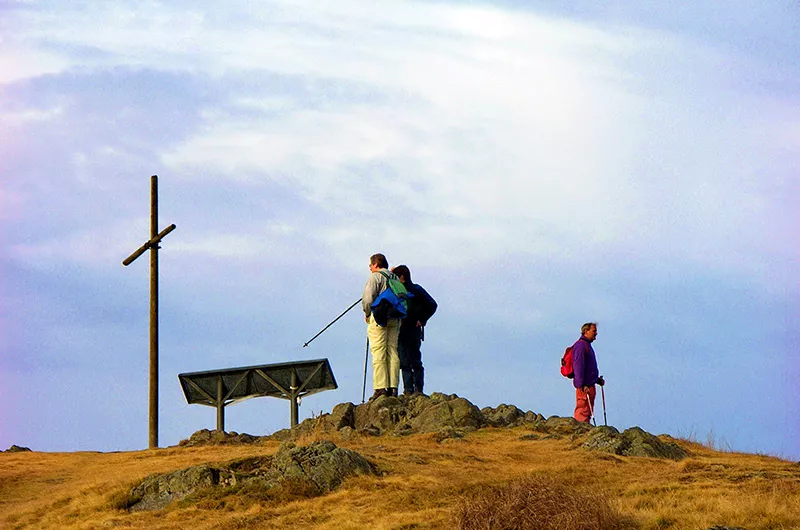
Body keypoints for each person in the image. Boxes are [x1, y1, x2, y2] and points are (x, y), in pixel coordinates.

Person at [391, 265, 437, 396]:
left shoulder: (416, 290)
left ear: (402, 277)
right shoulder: (397, 291)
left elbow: (432, 305)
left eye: (396, 277)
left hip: (412, 329)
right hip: (402, 329)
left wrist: (422, 319)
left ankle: (417, 389)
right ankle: (408, 390)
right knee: (404, 361)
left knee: (414, 360)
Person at [362, 253, 402, 399]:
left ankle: (380, 388)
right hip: (395, 317)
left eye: (370, 265)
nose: (370, 268)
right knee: (392, 350)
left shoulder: (375, 277)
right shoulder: (394, 277)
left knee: (379, 351)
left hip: (379, 317)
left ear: (376, 264)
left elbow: (368, 298)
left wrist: (367, 313)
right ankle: (393, 387)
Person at [571, 322, 605, 423]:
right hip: (584, 387)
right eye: (594, 331)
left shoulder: (585, 345)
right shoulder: (581, 346)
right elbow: (578, 366)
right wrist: (581, 385)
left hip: (589, 385)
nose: (596, 334)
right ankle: (580, 433)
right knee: (583, 411)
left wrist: (597, 380)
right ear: (586, 331)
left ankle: (584, 431)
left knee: (587, 411)